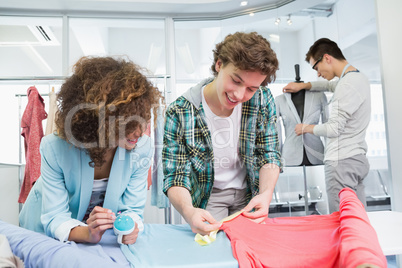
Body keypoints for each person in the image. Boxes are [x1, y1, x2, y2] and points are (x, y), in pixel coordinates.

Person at [19, 56, 163, 244]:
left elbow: (132, 210)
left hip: (96, 235)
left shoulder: (141, 147)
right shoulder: (55, 148)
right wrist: (88, 234)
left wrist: (132, 227)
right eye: (127, 122)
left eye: (141, 118)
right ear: (98, 121)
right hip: (44, 229)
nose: (139, 131)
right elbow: (55, 217)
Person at [163, 32, 281, 235]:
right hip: (209, 197)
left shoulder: (263, 99)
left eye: (251, 89)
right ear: (219, 65)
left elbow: (268, 153)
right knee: (212, 249)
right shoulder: (180, 111)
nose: (239, 95)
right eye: (235, 81)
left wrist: (266, 193)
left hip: (250, 192)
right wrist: (189, 211)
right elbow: (176, 174)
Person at [283, 38, 371, 213]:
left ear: (327, 58)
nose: (317, 74)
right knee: (358, 217)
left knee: (340, 219)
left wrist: (305, 128)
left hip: (341, 162)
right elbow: (330, 85)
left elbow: (333, 128)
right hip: (357, 159)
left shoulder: (346, 85)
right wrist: (304, 86)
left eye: (316, 68)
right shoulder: (356, 78)